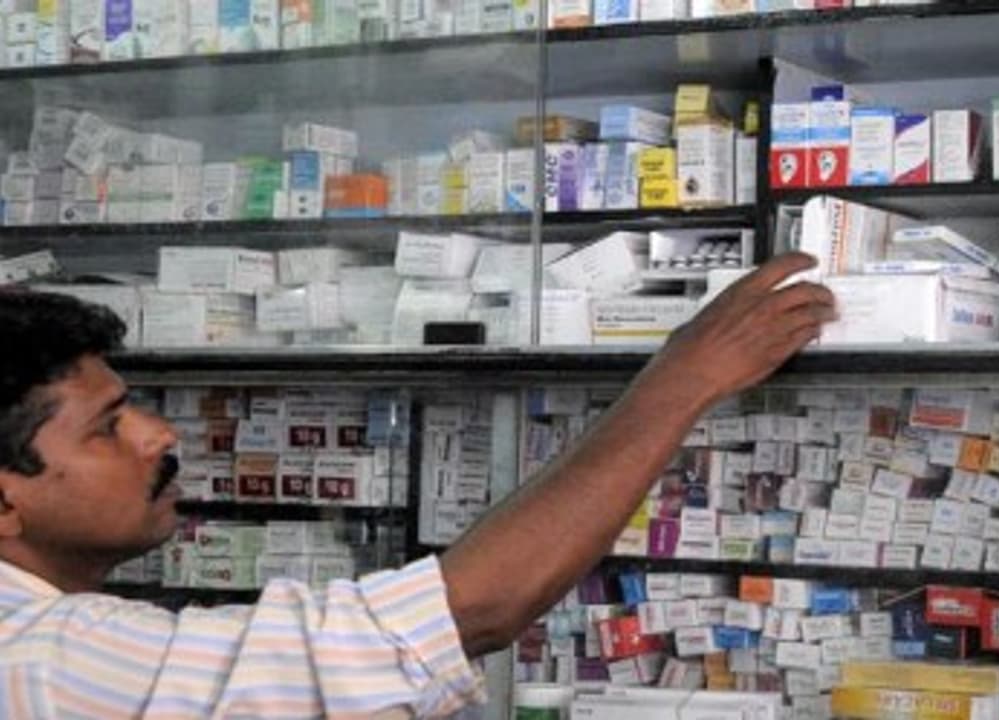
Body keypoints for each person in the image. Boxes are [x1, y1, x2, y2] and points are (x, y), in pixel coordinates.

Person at [0, 253, 836, 719]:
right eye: (107, 427)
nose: (158, 434)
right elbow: (468, 611)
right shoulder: (46, 660)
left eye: (135, 407)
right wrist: (683, 377)